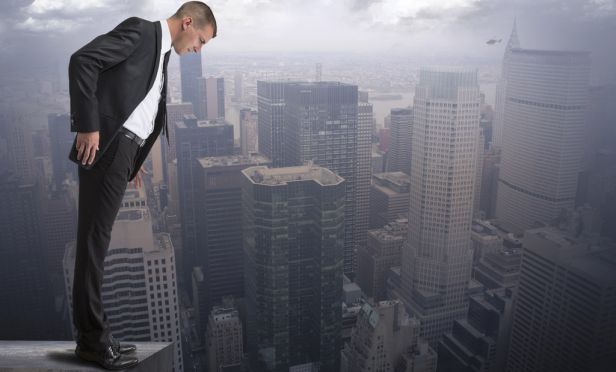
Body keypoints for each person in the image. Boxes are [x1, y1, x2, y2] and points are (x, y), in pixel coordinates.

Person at [68, 2, 216, 369]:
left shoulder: (161, 51)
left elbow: (135, 105)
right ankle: (92, 343)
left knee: (96, 244)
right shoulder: (141, 32)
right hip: (108, 148)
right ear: (187, 23)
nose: (197, 49)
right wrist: (88, 126)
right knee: (94, 245)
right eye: (200, 40)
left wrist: (133, 160)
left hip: (122, 153)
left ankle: (99, 339)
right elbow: (82, 60)